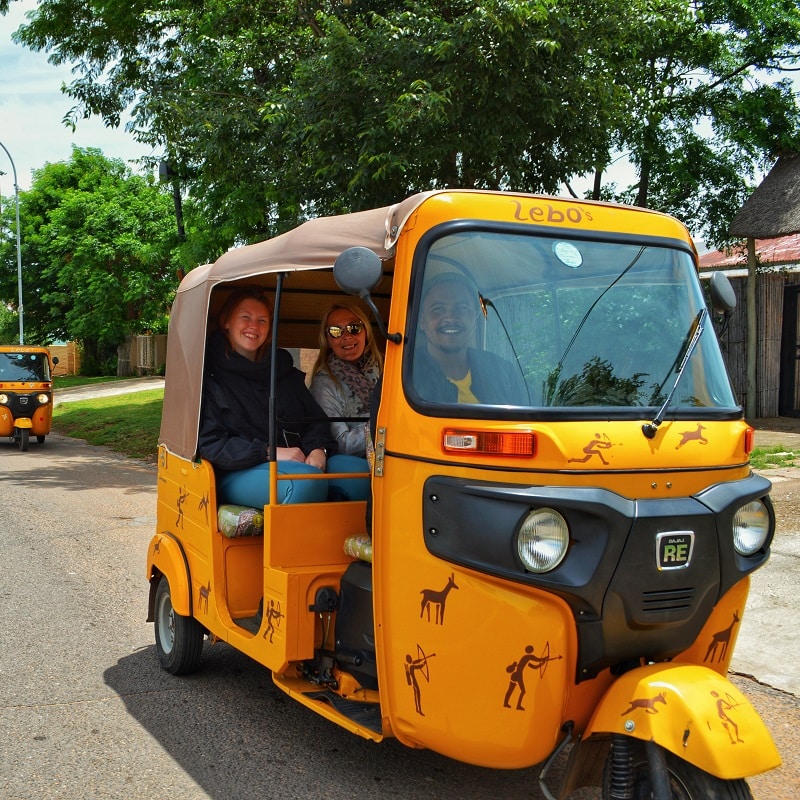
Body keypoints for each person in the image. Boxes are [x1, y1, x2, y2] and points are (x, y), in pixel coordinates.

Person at [198, 287, 359, 507]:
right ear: (227, 322)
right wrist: (269, 452)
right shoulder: (210, 375)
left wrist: (318, 449)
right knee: (305, 482)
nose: (254, 326)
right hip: (240, 469)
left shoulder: (282, 371)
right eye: (245, 317)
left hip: (301, 460)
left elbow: (315, 419)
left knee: (360, 473)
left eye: (262, 320)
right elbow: (211, 443)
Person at [413, 271, 528, 405]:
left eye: (462, 308)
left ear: (475, 319)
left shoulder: (502, 372)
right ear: (422, 320)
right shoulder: (405, 374)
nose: (451, 318)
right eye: (438, 309)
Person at [310, 302, 383, 458]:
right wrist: (383, 427)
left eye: (354, 328)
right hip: (355, 463)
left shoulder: (389, 370)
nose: (347, 336)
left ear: (366, 332)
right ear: (327, 340)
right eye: (336, 331)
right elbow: (340, 443)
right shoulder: (324, 384)